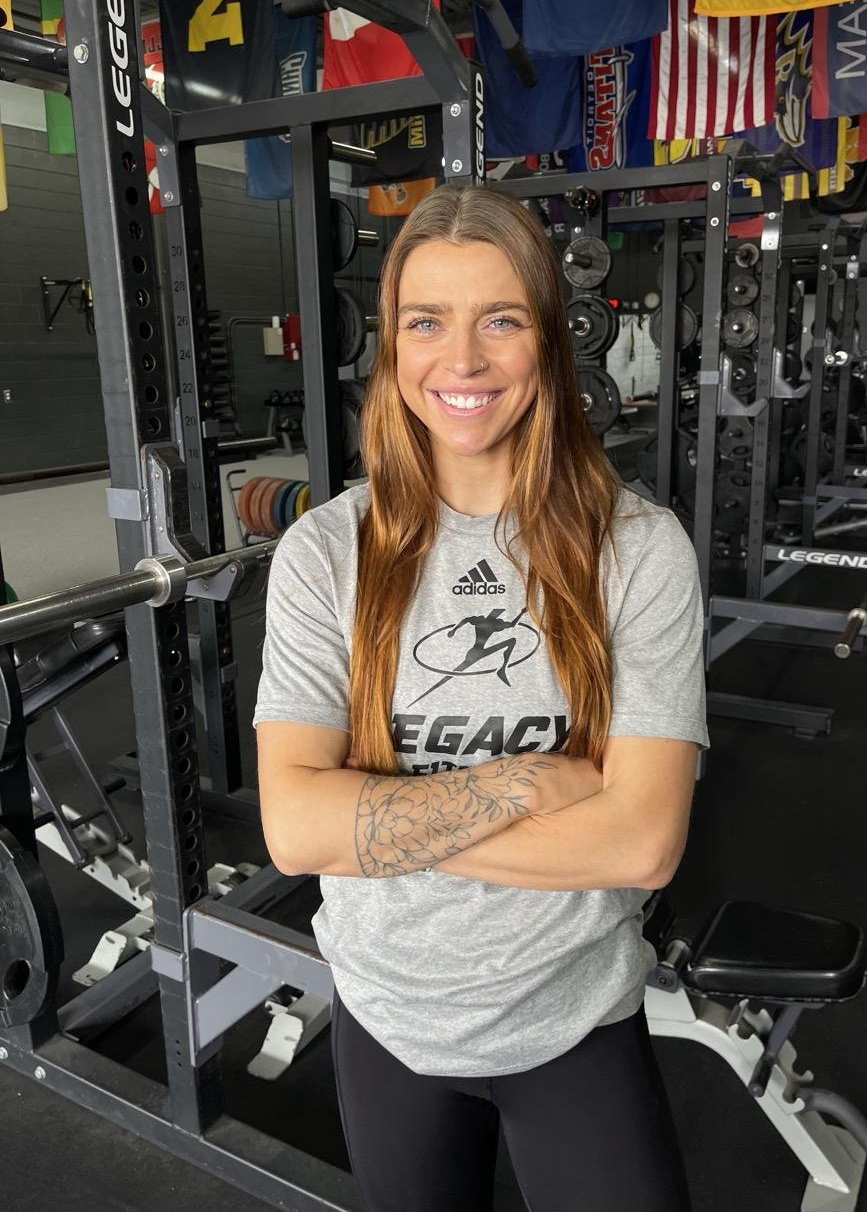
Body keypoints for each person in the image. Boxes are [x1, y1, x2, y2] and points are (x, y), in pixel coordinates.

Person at [253, 184, 707, 1212]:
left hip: (572, 1014)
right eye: (428, 322)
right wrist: (534, 784)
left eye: (499, 320)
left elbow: (640, 843)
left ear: (547, 338)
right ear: (392, 342)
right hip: (389, 1015)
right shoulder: (327, 553)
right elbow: (291, 827)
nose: (461, 361)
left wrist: (366, 823)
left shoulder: (638, 548)